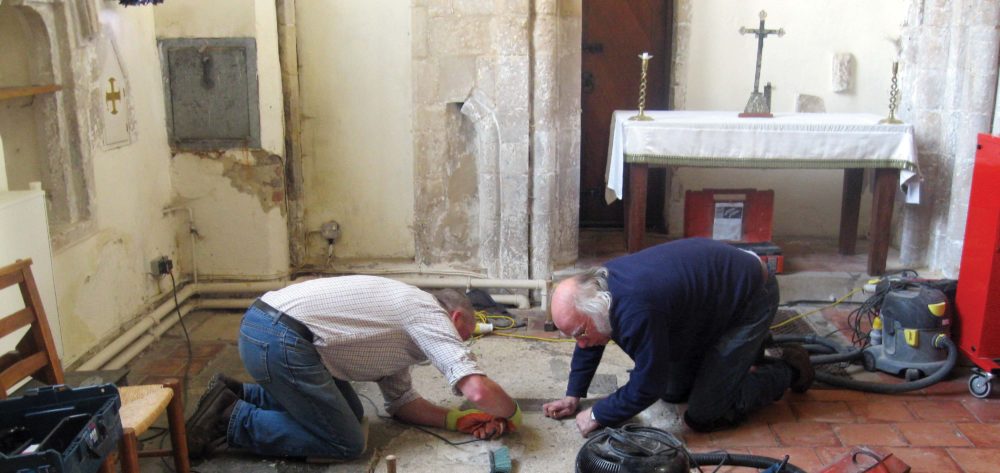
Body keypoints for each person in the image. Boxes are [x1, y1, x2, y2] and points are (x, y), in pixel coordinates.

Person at [185, 276, 522, 460]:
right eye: (457, 339)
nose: (454, 347)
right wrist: (511, 414)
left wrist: (457, 420)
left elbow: (403, 403)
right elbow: (475, 389)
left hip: (268, 332)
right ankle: (231, 420)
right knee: (345, 441)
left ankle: (238, 394)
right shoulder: (425, 311)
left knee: (351, 409)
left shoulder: (403, 324)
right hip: (278, 339)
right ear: (455, 318)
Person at [542, 238, 813, 435]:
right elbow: (588, 341)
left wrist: (599, 413)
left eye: (579, 334)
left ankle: (789, 369)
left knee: (704, 415)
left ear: (597, 308)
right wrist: (573, 394)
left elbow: (648, 385)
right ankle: (742, 356)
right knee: (673, 391)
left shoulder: (636, 311)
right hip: (710, 301)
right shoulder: (598, 291)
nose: (580, 343)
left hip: (750, 297)